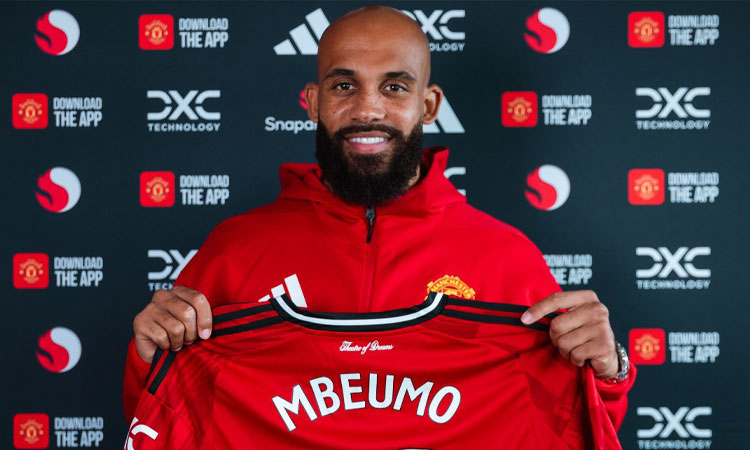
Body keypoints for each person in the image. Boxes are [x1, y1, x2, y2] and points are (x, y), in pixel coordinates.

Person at [123, 5, 635, 432]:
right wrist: (149, 360)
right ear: (313, 102)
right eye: (344, 86)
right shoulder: (235, 249)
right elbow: (166, 423)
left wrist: (607, 373)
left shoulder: (506, 256)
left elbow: (560, 425)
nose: (367, 109)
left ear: (428, 105)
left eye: (394, 87)